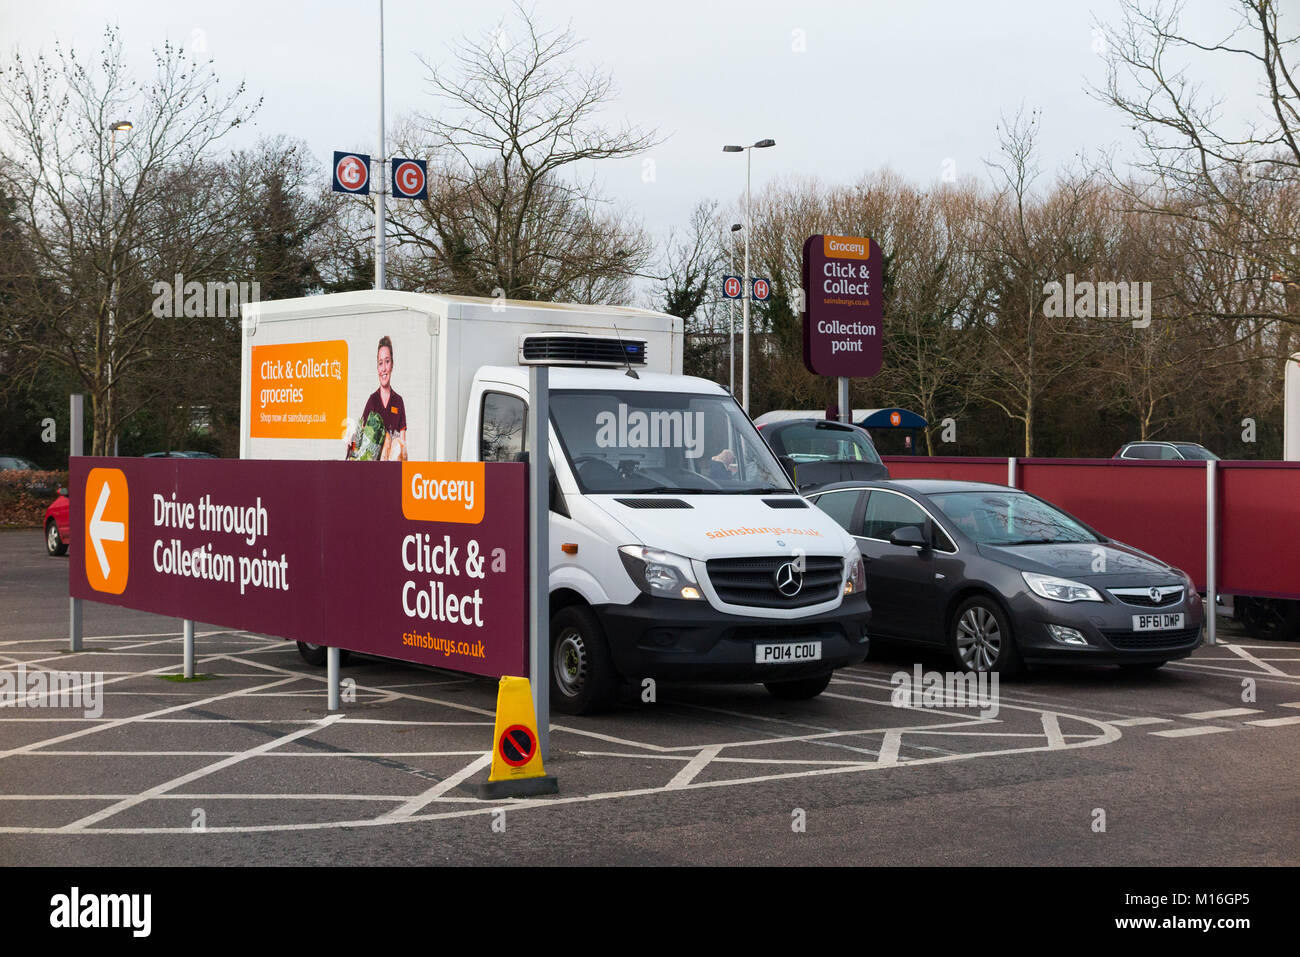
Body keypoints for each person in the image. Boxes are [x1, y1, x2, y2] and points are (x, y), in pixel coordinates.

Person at [356, 336, 407, 460]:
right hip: (373, 469)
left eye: (387, 361)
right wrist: (352, 444)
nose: (383, 368)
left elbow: (402, 444)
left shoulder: (398, 401)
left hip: (394, 468)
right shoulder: (372, 400)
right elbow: (360, 439)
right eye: (380, 363)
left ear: (392, 365)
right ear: (377, 367)